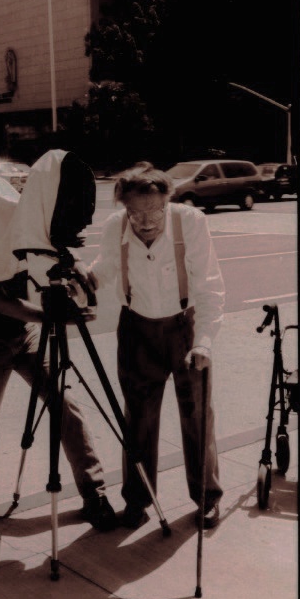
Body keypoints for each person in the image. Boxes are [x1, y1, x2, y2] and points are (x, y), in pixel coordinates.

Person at [0, 152, 116, 532]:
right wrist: (50, 316)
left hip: (26, 337)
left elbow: (41, 267)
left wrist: (72, 278)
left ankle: (95, 491)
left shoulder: (16, 231)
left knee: (66, 406)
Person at [89, 164, 225, 529]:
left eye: (154, 212)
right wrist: (84, 280)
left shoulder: (190, 222)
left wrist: (205, 343)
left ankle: (207, 497)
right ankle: (138, 500)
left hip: (185, 325)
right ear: (124, 208)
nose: (145, 222)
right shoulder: (115, 227)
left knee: (196, 416)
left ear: (168, 201)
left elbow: (211, 286)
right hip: (136, 328)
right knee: (139, 421)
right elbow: (105, 267)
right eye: (135, 213)